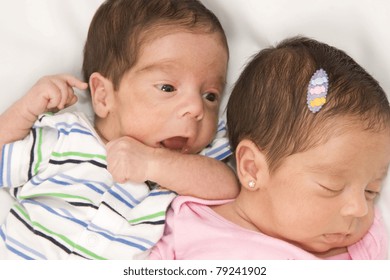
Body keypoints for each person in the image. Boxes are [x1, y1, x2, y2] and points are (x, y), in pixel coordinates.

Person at [0, 0, 238, 260]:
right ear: (103, 96)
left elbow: (228, 187)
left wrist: (154, 164)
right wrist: (24, 110)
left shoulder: (191, 164)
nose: (196, 108)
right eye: (168, 88)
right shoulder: (64, 139)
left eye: (211, 96)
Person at [150, 36, 390, 260]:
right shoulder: (188, 229)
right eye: (332, 187)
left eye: (371, 191)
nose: (359, 209)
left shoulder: (365, 246)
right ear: (252, 168)